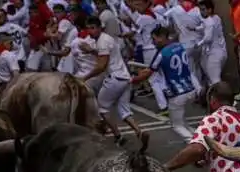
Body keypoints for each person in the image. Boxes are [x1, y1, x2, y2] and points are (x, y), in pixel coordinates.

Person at [81, 15, 143, 144]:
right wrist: (92, 51)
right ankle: (139, 132)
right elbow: (104, 55)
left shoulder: (102, 41)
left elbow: (101, 66)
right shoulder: (106, 39)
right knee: (124, 111)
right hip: (125, 78)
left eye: (93, 28)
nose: (90, 31)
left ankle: (118, 136)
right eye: (88, 28)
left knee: (102, 108)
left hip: (115, 78)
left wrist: (84, 78)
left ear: (99, 28)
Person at [132, 25, 196, 140]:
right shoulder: (179, 46)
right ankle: (200, 140)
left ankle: (196, 146)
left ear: (161, 37)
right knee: (183, 122)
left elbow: (148, 73)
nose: (153, 42)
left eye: (154, 39)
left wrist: (131, 81)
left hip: (177, 93)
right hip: (190, 89)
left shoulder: (162, 54)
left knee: (177, 126)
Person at [196, 0, 227, 87]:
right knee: (213, 79)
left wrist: (198, 44)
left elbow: (208, 38)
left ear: (210, 10)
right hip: (219, 51)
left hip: (214, 54)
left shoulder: (211, 21)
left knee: (215, 81)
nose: (201, 12)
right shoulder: (216, 18)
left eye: (203, 9)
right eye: (200, 10)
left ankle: (222, 99)